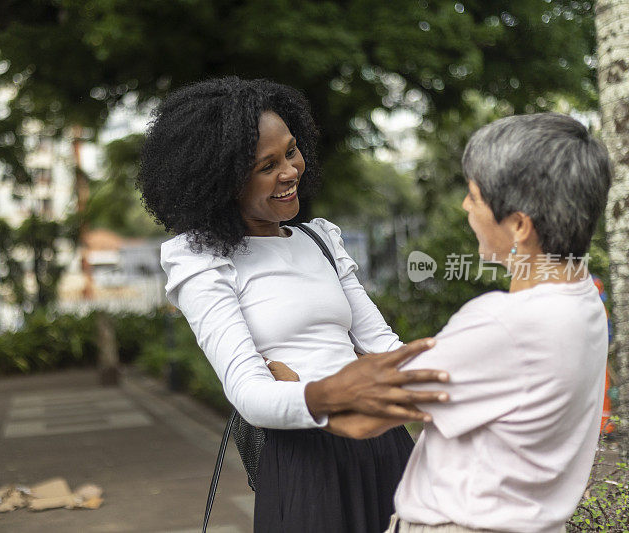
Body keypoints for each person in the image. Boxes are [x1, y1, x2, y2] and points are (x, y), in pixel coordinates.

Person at [137, 77, 447, 532]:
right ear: (221, 180)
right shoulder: (200, 259)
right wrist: (333, 397)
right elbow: (250, 394)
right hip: (307, 465)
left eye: (291, 151)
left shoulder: (319, 238)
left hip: (385, 449)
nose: (290, 171)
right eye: (267, 165)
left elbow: (384, 346)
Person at [386, 113, 612, 533]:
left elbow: (368, 406)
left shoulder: (504, 324)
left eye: (475, 195)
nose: (466, 206)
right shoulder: (584, 296)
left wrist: (295, 382)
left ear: (520, 225)